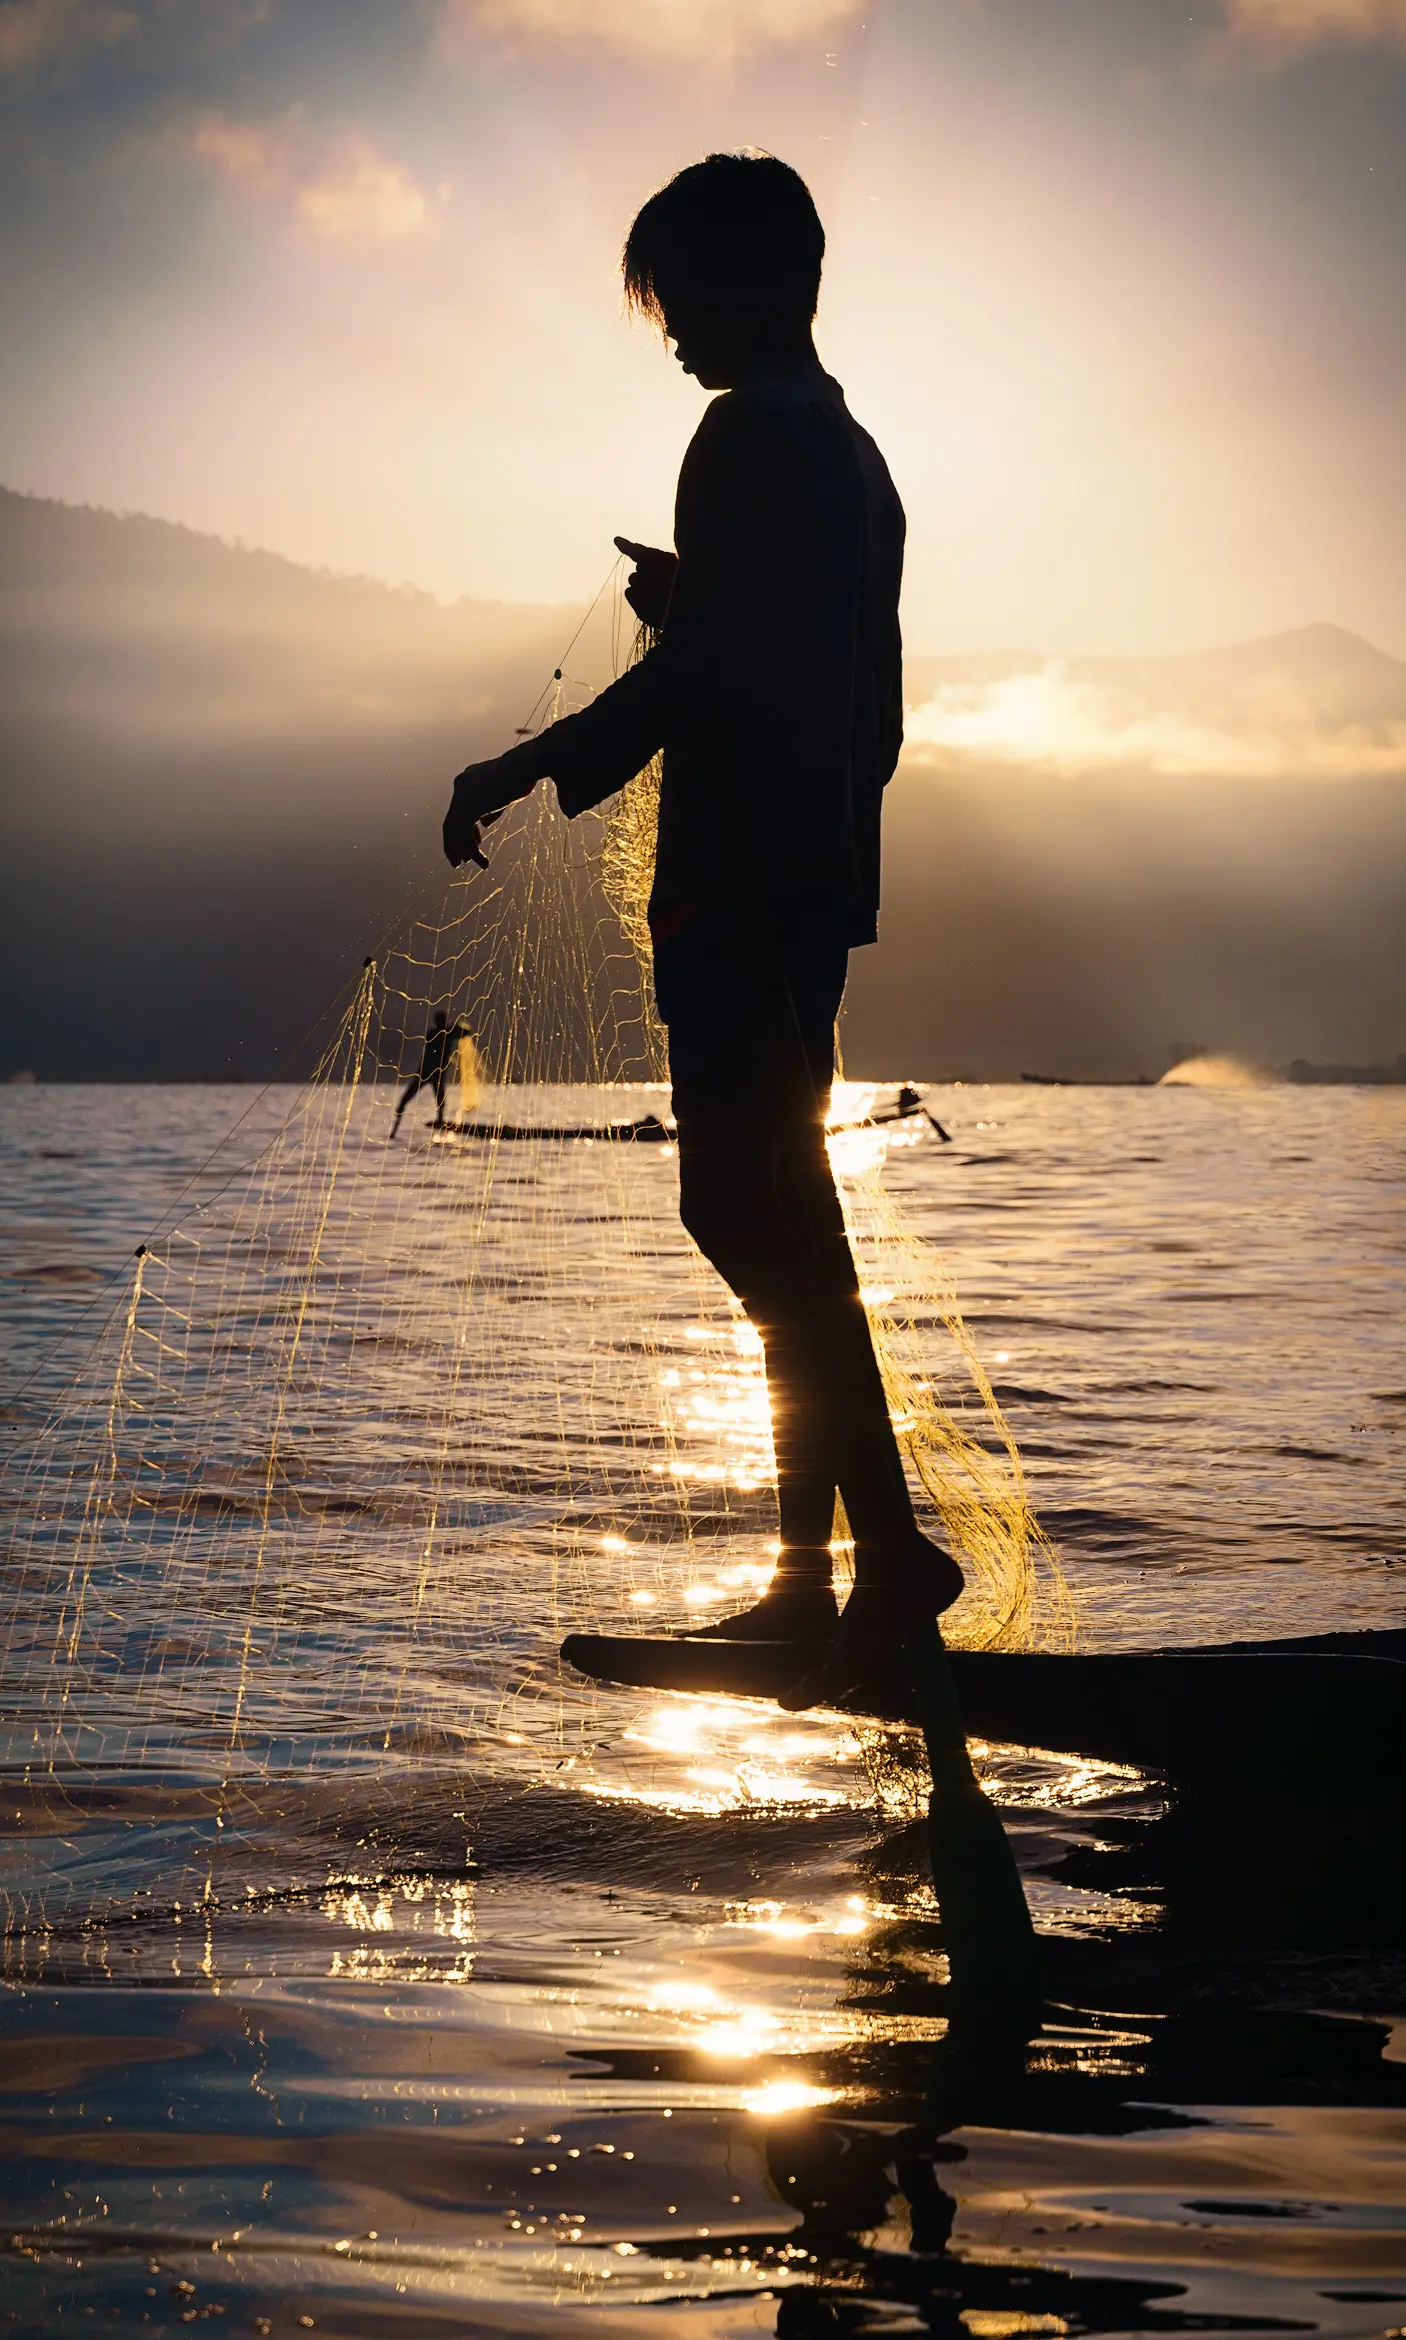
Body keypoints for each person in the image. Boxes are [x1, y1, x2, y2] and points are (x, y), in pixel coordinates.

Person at [441, 151, 961, 1709]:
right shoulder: (852, 452)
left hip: (740, 873)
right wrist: (702, 607)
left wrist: (531, 761)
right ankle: (823, 1580)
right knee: (790, 1218)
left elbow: (717, 676)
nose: (666, 334)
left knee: (743, 1214)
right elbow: (827, 669)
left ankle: (880, 1558)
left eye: (676, 298)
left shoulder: (741, 437)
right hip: (818, 877)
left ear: (752, 286)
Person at [392, 1007, 469, 1136]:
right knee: (409, 1098)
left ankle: (439, 1121)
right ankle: (394, 1129)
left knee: (439, 1099)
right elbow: (464, 1032)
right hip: (427, 1071)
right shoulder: (440, 1033)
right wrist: (455, 1026)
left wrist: (455, 1026)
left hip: (432, 1072)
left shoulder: (444, 1032)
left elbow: (466, 1032)